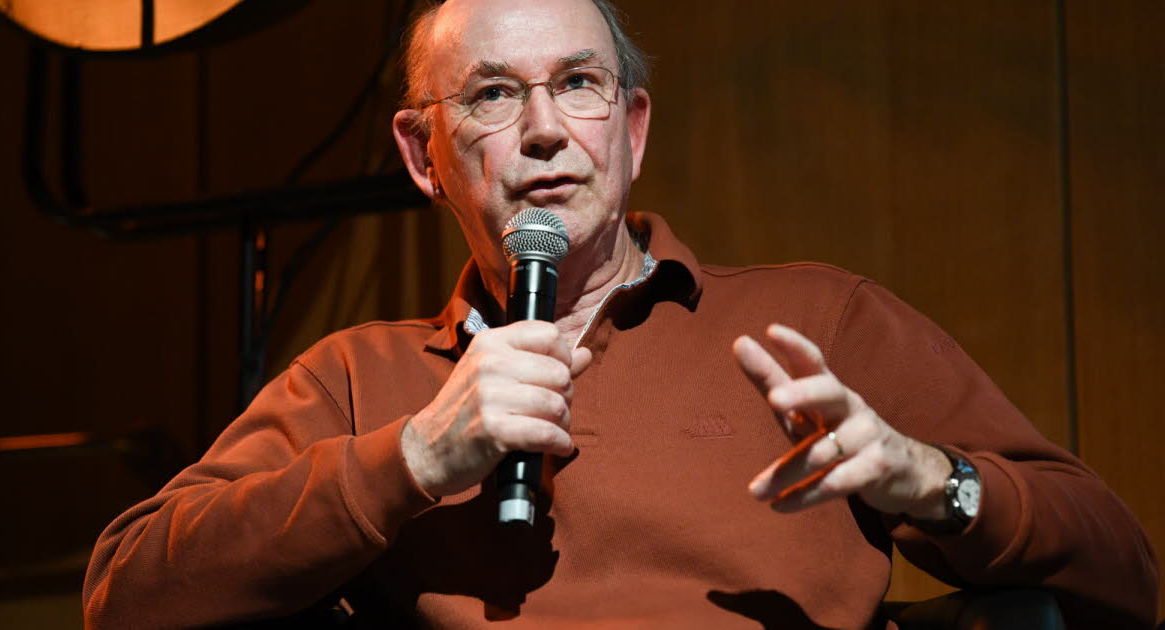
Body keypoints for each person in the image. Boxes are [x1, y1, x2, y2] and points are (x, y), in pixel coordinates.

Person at [83, 0, 1159, 628]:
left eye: (580, 85)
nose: (546, 131)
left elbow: (1125, 571)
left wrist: (928, 480)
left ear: (632, 129)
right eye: (495, 95)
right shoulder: (364, 378)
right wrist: (408, 460)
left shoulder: (815, 319)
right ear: (425, 155)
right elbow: (125, 593)